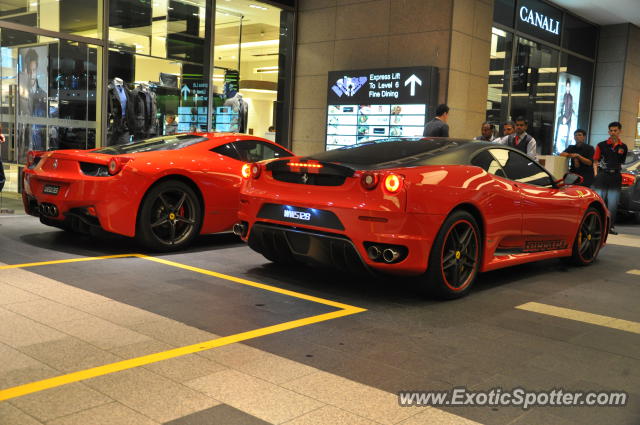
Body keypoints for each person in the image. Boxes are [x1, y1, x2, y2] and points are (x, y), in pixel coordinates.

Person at [592, 122, 628, 235]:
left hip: (616, 176)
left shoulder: (623, 147)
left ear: (619, 131)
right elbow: (595, 161)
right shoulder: (601, 145)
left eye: (615, 130)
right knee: (599, 201)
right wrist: (596, 175)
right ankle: (596, 226)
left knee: (613, 203)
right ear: (608, 132)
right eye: (611, 130)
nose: (613, 132)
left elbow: (621, 162)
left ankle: (610, 227)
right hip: (602, 176)